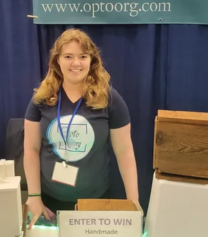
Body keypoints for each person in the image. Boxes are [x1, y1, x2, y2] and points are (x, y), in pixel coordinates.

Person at [24, 28, 139, 229]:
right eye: (68, 56)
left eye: (82, 56)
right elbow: (31, 150)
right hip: (49, 204)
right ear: (57, 61)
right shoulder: (41, 100)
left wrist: (133, 201)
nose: (76, 63)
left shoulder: (109, 99)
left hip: (96, 204)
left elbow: (124, 152)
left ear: (92, 61)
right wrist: (34, 197)